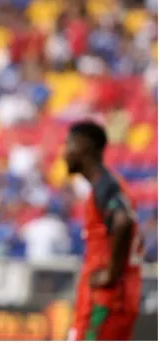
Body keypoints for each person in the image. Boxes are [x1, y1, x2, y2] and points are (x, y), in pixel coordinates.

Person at [63, 121, 142, 340]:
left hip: (105, 301)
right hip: (119, 298)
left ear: (84, 146)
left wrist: (111, 273)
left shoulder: (105, 185)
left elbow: (123, 221)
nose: (64, 153)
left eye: (68, 144)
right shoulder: (112, 185)